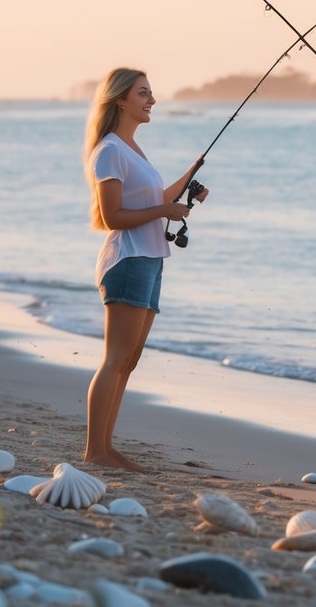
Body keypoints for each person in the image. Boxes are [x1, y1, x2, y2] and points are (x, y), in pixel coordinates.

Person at [82, 67, 208, 471]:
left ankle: (107, 447)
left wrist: (189, 180)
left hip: (152, 259)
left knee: (129, 359)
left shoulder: (132, 149)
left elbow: (156, 199)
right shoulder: (109, 150)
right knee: (115, 357)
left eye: (150, 93)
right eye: (143, 94)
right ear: (120, 100)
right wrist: (165, 210)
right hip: (128, 259)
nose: (151, 100)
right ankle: (95, 451)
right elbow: (113, 216)